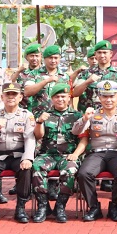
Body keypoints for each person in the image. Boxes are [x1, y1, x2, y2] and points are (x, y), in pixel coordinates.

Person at [73, 80, 117, 222]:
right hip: (96, 153)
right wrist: (84, 119)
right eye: (105, 96)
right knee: (83, 174)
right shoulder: (92, 114)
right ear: (99, 98)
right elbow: (76, 131)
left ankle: (115, 206)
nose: (108, 100)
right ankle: (94, 207)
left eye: (112, 96)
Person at [0, 82, 36, 223]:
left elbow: (30, 139)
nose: (11, 97)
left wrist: (28, 158)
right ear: (2, 97)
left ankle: (20, 208)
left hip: (18, 155)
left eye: (14, 94)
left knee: (26, 170)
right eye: (8, 94)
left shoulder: (27, 115)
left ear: (20, 97)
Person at [32, 83, 86, 223]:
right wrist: (39, 122)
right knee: (36, 167)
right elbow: (38, 136)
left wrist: (76, 154)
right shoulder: (45, 115)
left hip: (67, 155)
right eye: (57, 97)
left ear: (69, 98)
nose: (60, 99)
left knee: (70, 170)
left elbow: (84, 139)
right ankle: (43, 206)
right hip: (48, 155)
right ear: (52, 98)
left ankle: (60, 206)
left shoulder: (77, 116)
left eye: (63, 96)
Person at [73, 40, 117, 113]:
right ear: (95, 54)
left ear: (111, 54)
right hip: (90, 116)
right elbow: (75, 93)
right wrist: (88, 81)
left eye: (105, 52)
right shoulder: (86, 73)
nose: (102, 55)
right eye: (99, 53)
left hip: (113, 118)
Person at [22, 45, 70, 117]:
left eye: (56, 58)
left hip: (59, 118)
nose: (53, 61)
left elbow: (69, 97)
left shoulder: (64, 76)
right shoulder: (34, 74)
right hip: (38, 116)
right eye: (50, 58)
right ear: (44, 59)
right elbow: (27, 92)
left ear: (59, 58)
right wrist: (46, 81)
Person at [10, 43, 42, 110]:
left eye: (37, 56)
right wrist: (18, 71)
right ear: (27, 57)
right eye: (32, 56)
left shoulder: (45, 73)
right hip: (23, 111)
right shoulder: (21, 73)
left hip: (40, 111)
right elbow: (10, 82)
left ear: (41, 56)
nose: (34, 58)